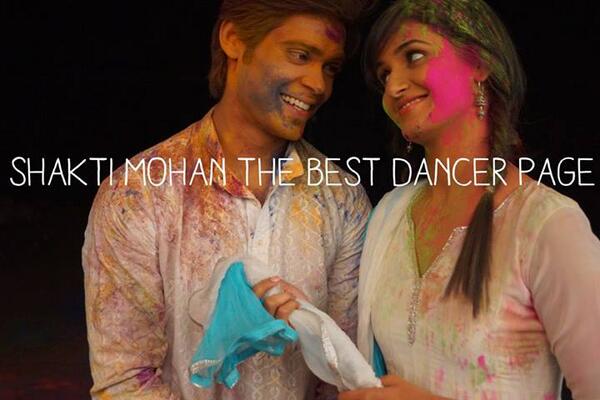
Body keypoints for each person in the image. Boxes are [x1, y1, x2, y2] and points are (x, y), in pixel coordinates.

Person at [82, 1, 372, 399]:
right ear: (234, 39)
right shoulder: (139, 194)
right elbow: (125, 383)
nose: (319, 84)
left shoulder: (342, 199)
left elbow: (346, 378)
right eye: (300, 55)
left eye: (330, 68)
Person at [340, 0, 600, 399]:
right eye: (384, 74)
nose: (392, 87)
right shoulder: (390, 214)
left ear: (479, 63)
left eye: (413, 56)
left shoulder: (546, 225)